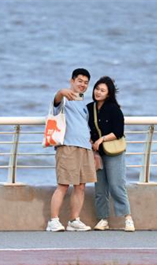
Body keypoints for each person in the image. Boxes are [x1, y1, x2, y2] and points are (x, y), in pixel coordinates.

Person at [46, 68, 96, 232]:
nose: (83, 84)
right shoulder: (64, 99)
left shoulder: (83, 104)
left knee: (81, 186)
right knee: (63, 185)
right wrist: (61, 92)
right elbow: (56, 101)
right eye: (80, 81)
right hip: (67, 146)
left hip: (85, 147)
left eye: (86, 82)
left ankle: (74, 220)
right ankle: (53, 221)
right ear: (72, 81)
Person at [87, 76, 134, 232]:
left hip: (114, 152)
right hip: (97, 152)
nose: (98, 92)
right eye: (97, 89)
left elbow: (119, 131)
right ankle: (103, 219)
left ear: (108, 94)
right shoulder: (89, 108)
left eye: (102, 90)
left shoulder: (114, 109)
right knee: (100, 188)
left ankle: (127, 218)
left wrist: (101, 139)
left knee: (116, 185)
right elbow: (85, 127)